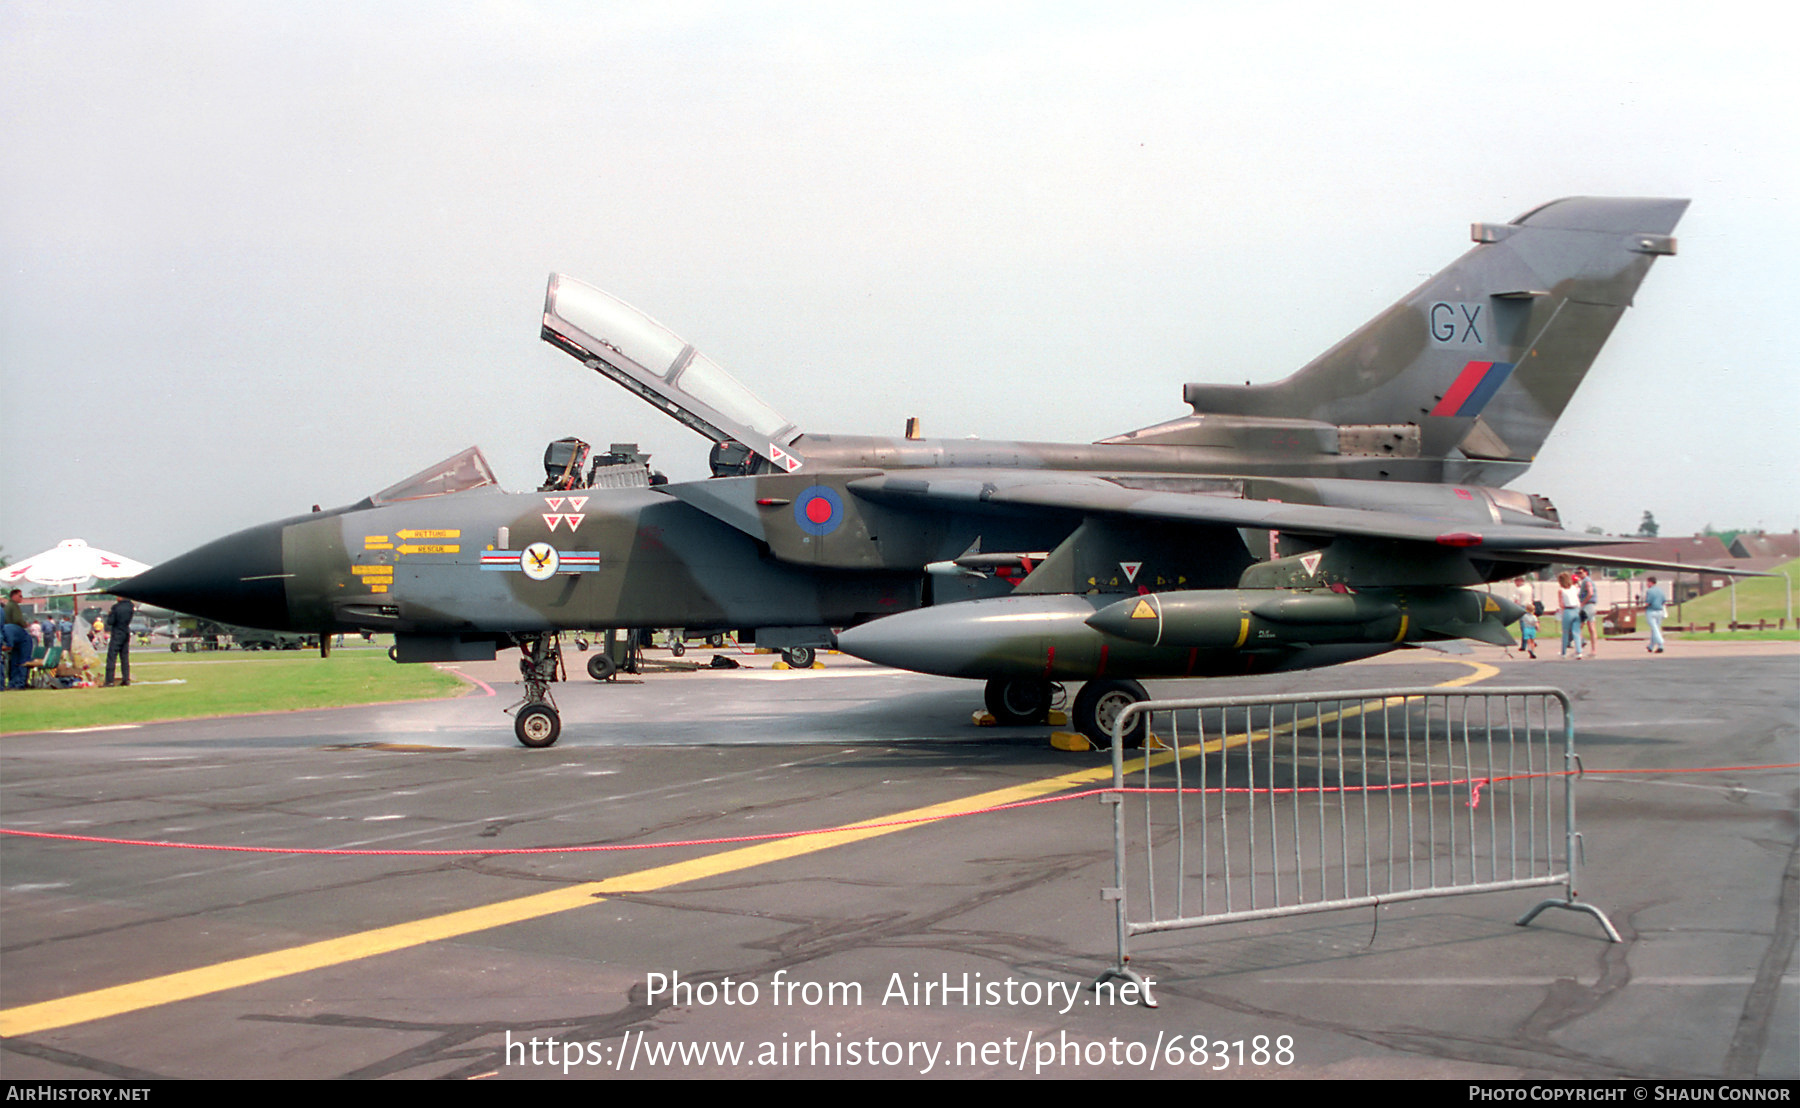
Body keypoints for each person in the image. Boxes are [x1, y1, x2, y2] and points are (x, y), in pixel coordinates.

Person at [104, 594, 135, 687]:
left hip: (117, 632)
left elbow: (111, 621)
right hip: (126, 631)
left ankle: (109, 680)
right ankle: (126, 679)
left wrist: (110, 615)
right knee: (124, 657)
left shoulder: (116, 607)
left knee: (112, 656)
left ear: (120, 597)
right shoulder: (130, 606)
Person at [3, 589, 32, 690]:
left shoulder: (7, 607)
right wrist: (25, 624)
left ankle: (16, 683)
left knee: (16, 661)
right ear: (14, 596)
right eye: (20, 596)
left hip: (17, 638)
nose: (21, 598)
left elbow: (8, 645)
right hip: (20, 637)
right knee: (22, 661)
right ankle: (19, 683)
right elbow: (17, 619)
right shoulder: (13, 606)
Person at [1557, 572, 1582, 659]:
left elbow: (1561, 604)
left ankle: (1563, 652)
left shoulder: (1561, 590)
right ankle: (1579, 651)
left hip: (1568, 610)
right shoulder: (1574, 588)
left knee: (1565, 632)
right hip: (1577, 610)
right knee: (1576, 632)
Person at [1577, 567, 1600, 655]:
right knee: (1591, 628)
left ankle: (1581, 645)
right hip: (1592, 605)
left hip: (1587, 606)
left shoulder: (1586, 581)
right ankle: (1593, 650)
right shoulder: (1587, 581)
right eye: (1578, 573)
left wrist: (1583, 603)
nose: (1579, 574)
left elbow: (1590, 593)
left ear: (1586, 572)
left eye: (1580, 572)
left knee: (1578, 627)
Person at [1644, 576, 1668, 654]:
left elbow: (1648, 602)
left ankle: (1661, 643)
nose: (1647, 584)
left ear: (1651, 582)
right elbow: (1664, 601)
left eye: (1647, 582)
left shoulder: (1650, 591)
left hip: (1651, 611)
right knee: (1656, 628)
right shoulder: (1660, 591)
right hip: (1660, 611)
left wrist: (1644, 605)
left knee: (1654, 629)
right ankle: (1651, 646)